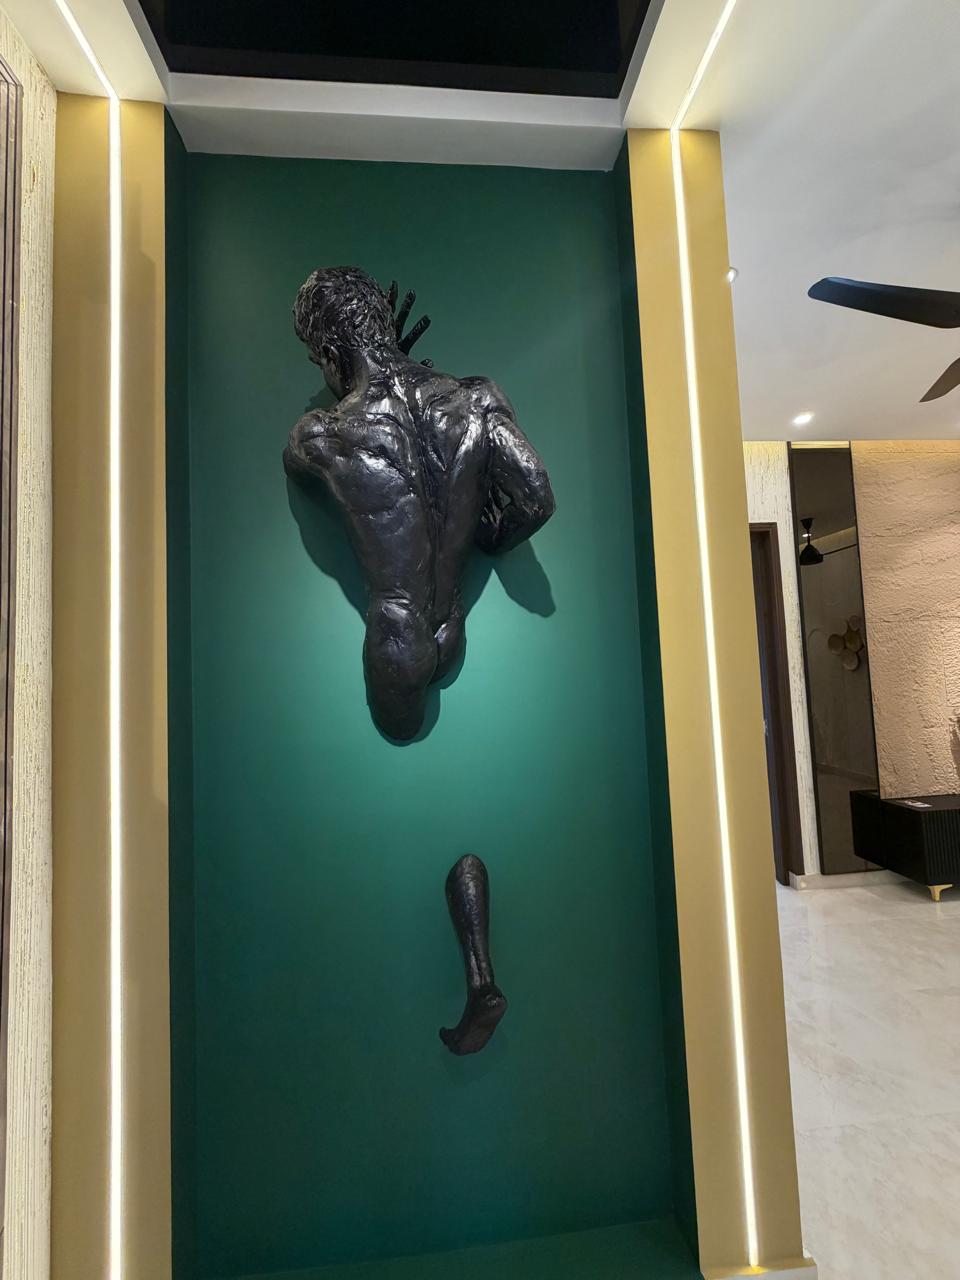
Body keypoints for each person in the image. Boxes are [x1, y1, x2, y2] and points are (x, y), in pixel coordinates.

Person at [284, 266, 555, 740]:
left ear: (329, 353)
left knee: (392, 754)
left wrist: (360, 376)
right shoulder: (477, 399)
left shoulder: (324, 435)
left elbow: (294, 462)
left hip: (397, 640)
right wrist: (489, 538)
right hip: (454, 623)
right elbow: (536, 497)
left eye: (317, 359)